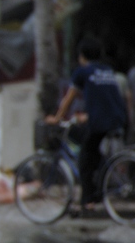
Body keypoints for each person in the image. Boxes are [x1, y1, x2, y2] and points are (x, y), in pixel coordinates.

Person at [45, 37, 128, 212]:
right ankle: (98, 187)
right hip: (117, 118)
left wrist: (58, 118)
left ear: (82, 56)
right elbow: (104, 98)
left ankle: (87, 201)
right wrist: (87, 116)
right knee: (93, 151)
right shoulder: (107, 70)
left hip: (99, 121)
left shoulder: (82, 72)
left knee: (84, 159)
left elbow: (69, 98)